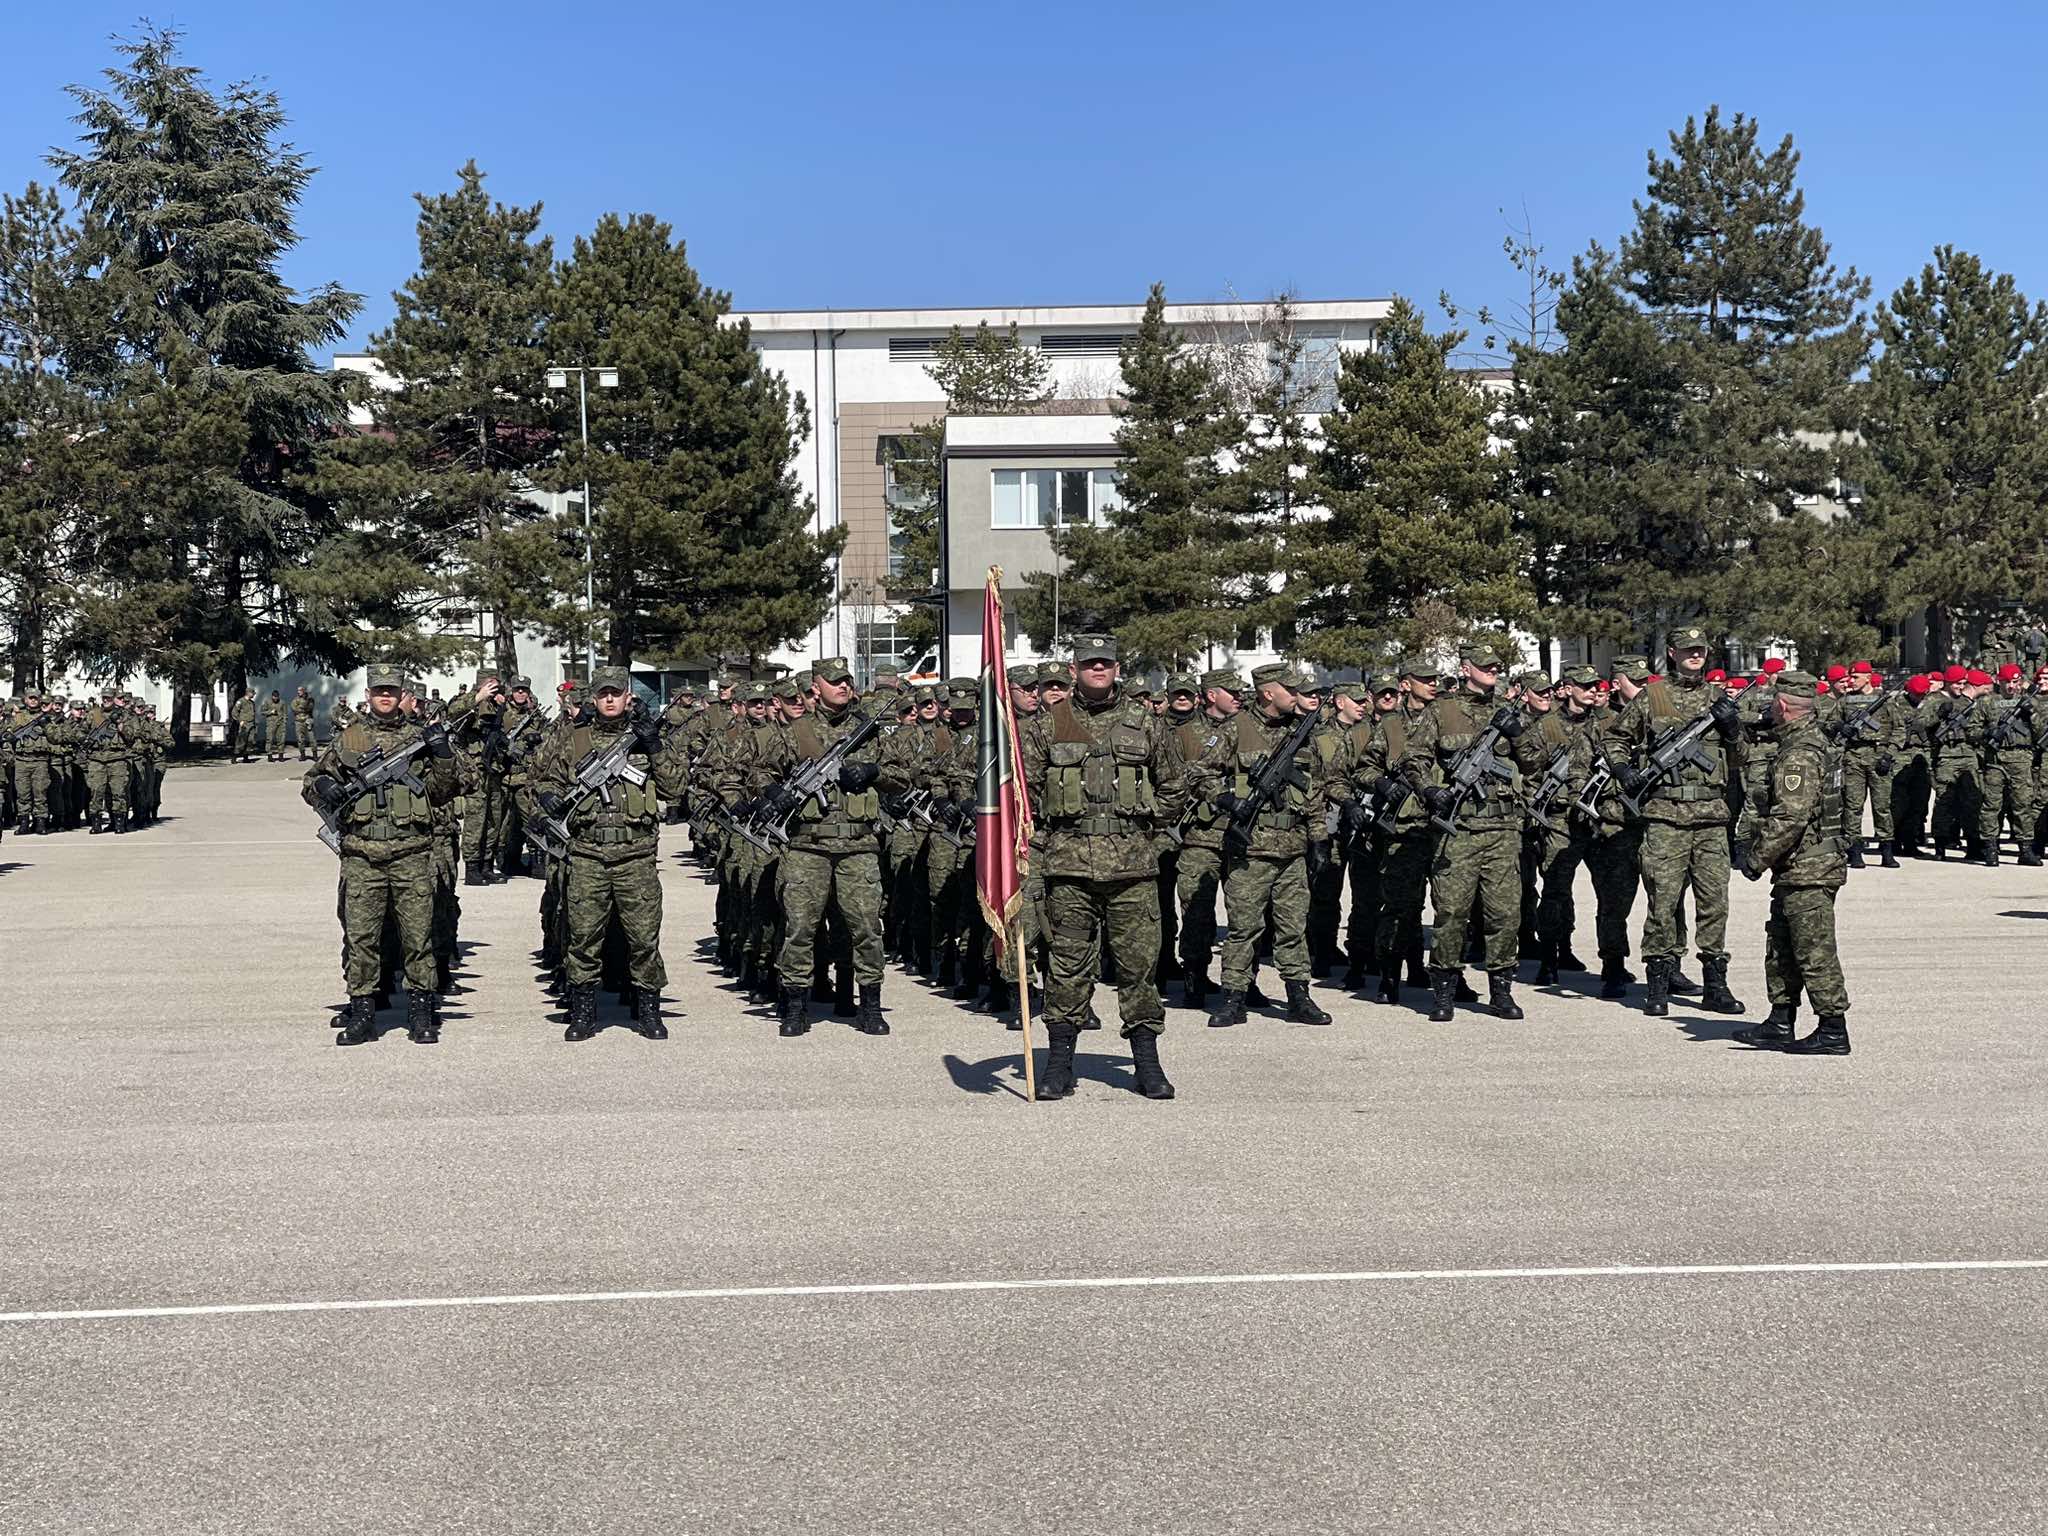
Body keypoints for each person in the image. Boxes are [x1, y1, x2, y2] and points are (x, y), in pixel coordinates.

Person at [1016, 634, 1186, 1100]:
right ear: (1073, 670)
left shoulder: (1144, 723)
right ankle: (1059, 1064)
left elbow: (1174, 784)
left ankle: (1147, 1064)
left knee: (1138, 968)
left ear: (1116, 669)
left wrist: (1146, 833)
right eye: (1090, 663)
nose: (1098, 669)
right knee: (1068, 967)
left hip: (1133, 870)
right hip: (1068, 870)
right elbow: (1024, 796)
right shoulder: (1047, 725)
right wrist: (1043, 845)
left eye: (1105, 664)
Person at [303, 663, 460, 1046]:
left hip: (411, 853)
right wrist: (326, 786)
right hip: (361, 856)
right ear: (369, 695)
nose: (385, 696)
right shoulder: (351, 738)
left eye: (391, 690)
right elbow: (311, 782)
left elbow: (445, 791)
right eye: (378, 691)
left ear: (401, 692)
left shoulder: (419, 737)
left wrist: (442, 755)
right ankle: (362, 1012)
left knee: (417, 937)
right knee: (361, 938)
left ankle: (421, 1012)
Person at [526, 667, 686, 1042]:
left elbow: (675, 787)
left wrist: (656, 747)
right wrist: (549, 796)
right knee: (583, 938)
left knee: (644, 938)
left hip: (636, 855)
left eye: (616, 693)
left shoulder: (647, 738)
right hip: (587, 855)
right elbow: (540, 779)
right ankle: (583, 1012)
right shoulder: (573, 738)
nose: (610, 700)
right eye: (603, 694)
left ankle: (648, 1010)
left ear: (629, 696)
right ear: (594, 698)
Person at [747, 657, 902, 1037]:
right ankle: (796, 1006)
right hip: (807, 846)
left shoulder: (868, 731)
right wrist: (774, 794)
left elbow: (903, 776)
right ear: (815, 688)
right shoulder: (795, 731)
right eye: (834, 682)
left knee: (866, 927)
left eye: (847, 680)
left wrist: (874, 772)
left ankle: (870, 1006)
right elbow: (758, 772)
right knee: (800, 928)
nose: (843, 687)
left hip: (859, 845)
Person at [1191, 664, 1333, 1028]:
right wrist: (1226, 800)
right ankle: (1234, 998)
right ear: (1269, 693)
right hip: (1250, 849)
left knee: (1292, 926)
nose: (1297, 696)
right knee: (1243, 928)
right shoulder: (1235, 728)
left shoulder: (1302, 734)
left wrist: (1319, 837)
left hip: (1292, 849)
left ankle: (1298, 996)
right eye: (1290, 690)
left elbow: (1313, 791)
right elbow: (1199, 772)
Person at [1616, 625, 1746, 1019]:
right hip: (1665, 818)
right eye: (1688, 650)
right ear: (1671, 652)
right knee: (1663, 901)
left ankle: (1715, 984)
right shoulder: (1651, 697)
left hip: (1710, 819)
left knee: (1714, 904)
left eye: (1701, 650)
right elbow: (1615, 739)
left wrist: (1731, 728)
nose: (1695, 655)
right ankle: (1658, 981)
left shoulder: (1718, 697)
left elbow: (1741, 756)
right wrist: (1623, 772)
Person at [1400, 640, 1527, 1021]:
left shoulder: (1507, 709)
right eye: (1485, 665)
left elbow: (1535, 761)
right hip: (1459, 828)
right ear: (1466, 667)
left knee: (1504, 913)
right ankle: (1444, 990)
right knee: (1451, 912)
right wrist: (1429, 791)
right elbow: (1414, 758)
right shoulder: (1442, 710)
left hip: (1502, 828)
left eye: (1495, 666)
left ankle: (1501, 989)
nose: (1492, 671)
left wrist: (1518, 733)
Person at [1732, 671, 1852, 1054]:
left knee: (1813, 950)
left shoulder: (1800, 753)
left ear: (1783, 706)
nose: (1768, 709)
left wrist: (1756, 859)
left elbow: (1791, 818)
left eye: (1771, 703)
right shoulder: (1806, 742)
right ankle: (1780, 1020)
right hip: (1797, 868)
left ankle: (1832, 1029)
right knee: (1781, 946)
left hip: (1810, 869)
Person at [290, 686, 317, 761]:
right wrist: (303, 707)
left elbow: (310, 708)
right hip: (299, 721)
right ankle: (302, 755)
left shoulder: (310, 699)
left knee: (312, 738)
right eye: (298, 690)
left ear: (304, 691)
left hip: (308, 720)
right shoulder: (295, 700)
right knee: (300, 739)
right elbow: (294, 709)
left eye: (301, 690)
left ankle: (315, 755)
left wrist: (302, 706)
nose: (299, 692)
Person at [231, 690, 258, 763]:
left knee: (250, 741)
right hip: (244, 724)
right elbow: (234, 712)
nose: (254, 695)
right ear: (248, 693)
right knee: (241, 741)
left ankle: (246, 757)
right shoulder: (241, 701)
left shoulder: (252, 703)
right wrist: (240, 720)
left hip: (251, 724)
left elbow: (253, 713)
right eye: (253, 693)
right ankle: (234, 757)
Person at [262, 690, 287, 761]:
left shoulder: (282, 702)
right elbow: (262, 712)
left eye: (277, 697)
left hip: (280, 723)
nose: (275, 698)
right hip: (271, 724)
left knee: (281, 739)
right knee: (269, 739)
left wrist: (284, 722)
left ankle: (281, 755)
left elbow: (285, 713)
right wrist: (270, 712)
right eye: (274, 697)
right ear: (272, 696)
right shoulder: (267, 702)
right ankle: (269, 755)